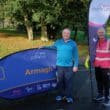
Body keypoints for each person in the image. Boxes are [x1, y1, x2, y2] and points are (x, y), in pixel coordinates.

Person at [40, 28, 79, 103]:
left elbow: (76, 55)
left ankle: (69, 96)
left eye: (67, 33)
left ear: (69, 34)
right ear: (62, 34)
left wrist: (76, 65)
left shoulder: (73, 43)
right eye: (64, 33)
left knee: (68, 82)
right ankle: (60, 95)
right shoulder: (58, 42)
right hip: (59, 66)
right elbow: (51, 47)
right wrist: (44, 47)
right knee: (60, 82)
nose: (66, 34)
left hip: (69, 66)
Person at [93, 28, 110, 106]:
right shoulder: (96, 42)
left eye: (102, 32)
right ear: (97, 33)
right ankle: (100, 95)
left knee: (106, 82)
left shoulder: (109, 41)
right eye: (99, 32)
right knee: (98, 81)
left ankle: (107, 97)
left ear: (105, 32)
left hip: (106, 66)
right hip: (97, 65)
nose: (101, 33)